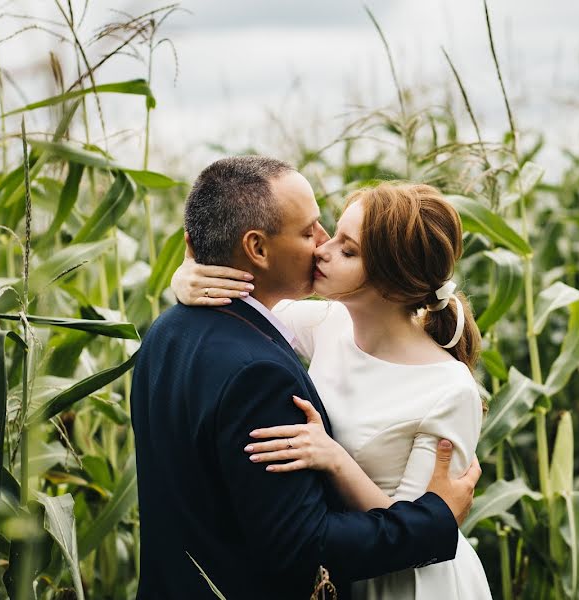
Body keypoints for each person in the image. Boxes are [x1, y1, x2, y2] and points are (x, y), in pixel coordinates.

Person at [130, 156, 481, 600]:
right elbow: (298, 541)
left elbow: (258, 313)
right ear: (257, 248)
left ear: (394, 283)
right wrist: (186, 273)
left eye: (345, 247)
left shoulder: (164, 332)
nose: (321, 247)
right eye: (314, 231)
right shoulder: (288, 353)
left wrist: (335, 458)